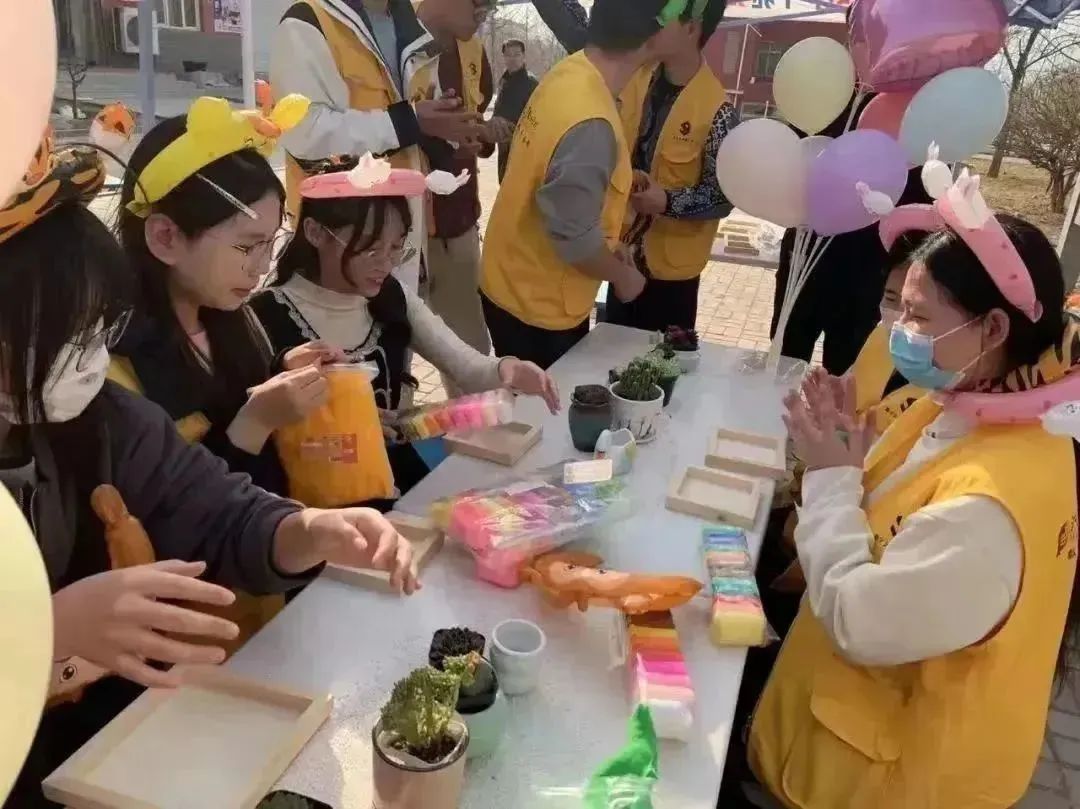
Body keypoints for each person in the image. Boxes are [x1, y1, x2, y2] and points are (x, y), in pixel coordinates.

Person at [0, 139, 416, 808]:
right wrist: (42, 629)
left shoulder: (102, 418)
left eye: (97, 327)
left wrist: (307, 530)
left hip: (105, 752)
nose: (91, 356)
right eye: (62, 333)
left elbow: (216, 507)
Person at [749, 185, 1080, 808]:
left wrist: (829, 476)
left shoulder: (987, 510)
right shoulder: (978, 408)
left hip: (884, 782)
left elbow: (858, 618)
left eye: (918, 316)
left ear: (994, 327)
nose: (898, 331)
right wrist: (845, 450)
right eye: (897, 307)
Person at [248, 156, 560, 496]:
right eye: (370, 250)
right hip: (311, 504)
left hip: (389, 480)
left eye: (396, 248)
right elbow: (257, 435)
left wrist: (508, 370)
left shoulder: (391, 295)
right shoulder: (265, 316)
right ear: (315, 233)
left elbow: (466, 366)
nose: (386, 264)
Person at [111, 98, 339, 504]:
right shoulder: (116, 368)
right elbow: (167, 512)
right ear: (165, 237)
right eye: (247, 246)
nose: (262, 267)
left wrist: (281, 372)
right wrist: (255, 421)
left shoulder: (232, 317)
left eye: (270, 243)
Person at [479, 0, 672, 370]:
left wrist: (616, 190)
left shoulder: (568, 72)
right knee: (543, 405)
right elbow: (574, 239)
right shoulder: (591, 120)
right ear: (653, 37)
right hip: (539, 308)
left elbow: (556, 173)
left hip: (508, 279)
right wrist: (623, 277)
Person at [532, 0, 737, 332]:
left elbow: (722, 197)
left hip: (671, 279)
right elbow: (585, 28)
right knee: (610, 356)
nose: (652, 22)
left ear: (690, 28)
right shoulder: (631, 75)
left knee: (662, 362)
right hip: (620, 257)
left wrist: (667, 201)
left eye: (665, 17)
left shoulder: (718, 111)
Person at [271, 0, 488, 292]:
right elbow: (305, 134)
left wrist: (448, 130)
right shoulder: (310, 20)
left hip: (402, 241)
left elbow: (418, 125)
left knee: (400, 317)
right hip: (340, 244)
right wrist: (408, 122)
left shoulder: (412, 29)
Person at [426, 33, 499, 398]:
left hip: (458, 224)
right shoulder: (401, 38)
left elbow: (477, 123)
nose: (484, 10)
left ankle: (473, 426)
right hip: (398, 230)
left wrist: (484, 135)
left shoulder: (473, 49)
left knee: (469, 346)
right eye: (477, 6)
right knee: (390, 356)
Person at [491, 39, 538, 182]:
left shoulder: (531, 83)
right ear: (504, 57)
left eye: (517, 54)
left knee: (519, 184)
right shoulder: (504, 81)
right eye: (508, 55)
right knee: (504, 181)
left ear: (524, 56)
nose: (512, 59)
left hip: (522, 145)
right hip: (503, 143)